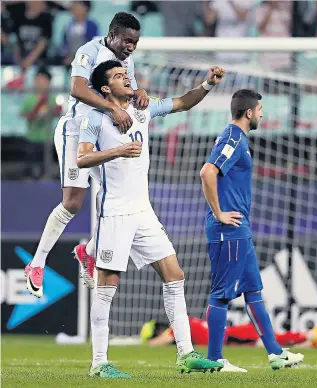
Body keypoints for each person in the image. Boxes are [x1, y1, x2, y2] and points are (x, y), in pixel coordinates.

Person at [76, 60, 225, 378]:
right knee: (108, 285)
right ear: (105, 88)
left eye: (125, 73)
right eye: (118, 76)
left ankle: (186, 354)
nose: (125, 77)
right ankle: (99, 362)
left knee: (175, 274)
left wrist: (208, 83)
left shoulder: (144, 107)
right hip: (114, 211)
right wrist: (117, 151)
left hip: (144, 211)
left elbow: (184, 102)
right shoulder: (95, 118)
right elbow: (82, 157)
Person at [25, 12, 149, 298]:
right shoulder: (89, 51)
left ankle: (88, 251)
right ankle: (37, 263)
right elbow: (77, 88)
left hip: (102, 133)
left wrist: (139, 92)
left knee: (120, 194)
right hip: (76, 131)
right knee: (72, 203)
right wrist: (111, 108)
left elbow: (127, 91)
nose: (131, 47)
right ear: (113, 34)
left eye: (135, 42)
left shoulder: (126, 60)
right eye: (127, 41)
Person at [199, 89, 304, 371]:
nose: (261, 114)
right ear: (248, 112)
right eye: (259, 109)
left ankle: (276, 354)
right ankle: (214, 359)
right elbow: (207, 171)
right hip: (228, 228)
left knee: (253, 290)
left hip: (239, 228)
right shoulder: (233, 137)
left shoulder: (239, 138)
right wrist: (219, 213)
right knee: (222, 294)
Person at [141, 317, 317, 349]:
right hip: (237, 335)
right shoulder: (188, 321)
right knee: (293, 341)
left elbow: (163, 340)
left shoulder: (178, 325)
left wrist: (148, 345)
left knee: (286, 339)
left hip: (236, 335)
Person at [20, 67, 62, 179]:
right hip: (32, 139)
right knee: (30, 168)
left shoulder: (52, 98)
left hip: (47, 139)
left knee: (47, 166)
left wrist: (52, 111)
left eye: (43, 81)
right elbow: (25, 115)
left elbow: (57, 112)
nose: (39, 83)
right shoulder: (30, 98)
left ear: (48, 83)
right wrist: (37, 110)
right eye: (37, 80)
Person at [10, 1, 52, 89]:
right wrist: (18, 59)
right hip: (20, 61)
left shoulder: (46, 19)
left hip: (39, 63)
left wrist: (29, 61)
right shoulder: (19, 17)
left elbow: (43, 43)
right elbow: (16, 41)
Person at [61, 1, 99, 67]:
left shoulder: (92, 25)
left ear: (86, 8)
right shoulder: (68, 25)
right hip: (69, 59)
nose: (75, 9)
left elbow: (93, 46)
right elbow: (64, 44)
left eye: (78, 7)